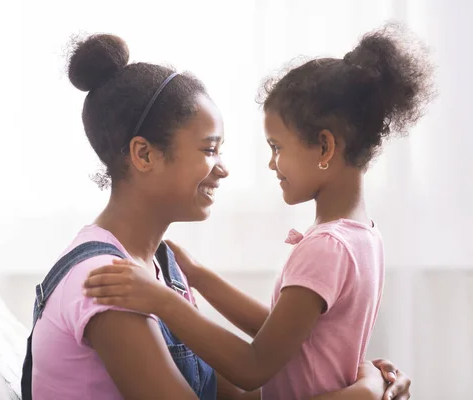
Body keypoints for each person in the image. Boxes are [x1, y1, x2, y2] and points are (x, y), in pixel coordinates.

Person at [25, 32, 412, 400]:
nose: (224, 169)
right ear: (144, 155)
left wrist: (360, 377)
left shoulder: (161, 272)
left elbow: (238, 390)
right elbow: (249, 372)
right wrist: (363, 392)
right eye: (209, 150)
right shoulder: (109, 283)